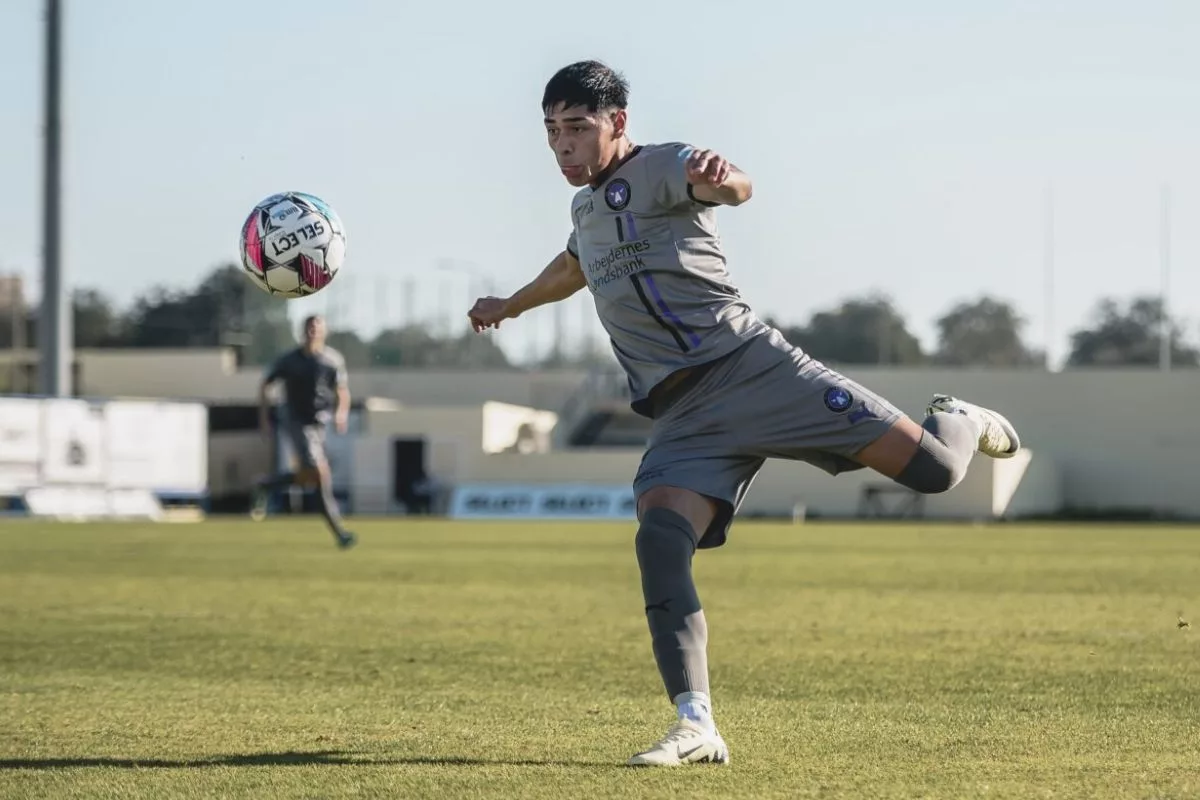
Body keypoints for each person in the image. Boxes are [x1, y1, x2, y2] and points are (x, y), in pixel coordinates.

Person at [467, 60, 1022, 767]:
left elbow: (731, 187)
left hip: (755, 371)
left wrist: (725, 179)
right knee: (659, 540)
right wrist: (509, 304)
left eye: (577, 127)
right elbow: (573, 268)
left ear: (617, 124)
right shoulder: (584, 211)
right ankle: (696, 724)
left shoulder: (664, 165)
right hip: (683, 415)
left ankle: (959, 415)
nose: (562, 144)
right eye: (551, 130)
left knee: (938, 471)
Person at [251, 314, 356, 550]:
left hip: (320, 424)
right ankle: (339, 532)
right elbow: (265, 385)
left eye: (317, 327)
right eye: (309, 328)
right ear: (303, 332)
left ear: (324, 332)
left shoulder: (332, 360)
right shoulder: (289, 360)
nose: (313, 332)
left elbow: (342, 391)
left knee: (316, 479)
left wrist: (341, 414)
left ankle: (267, 485)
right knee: (320, 473)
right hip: (296, 422)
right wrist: (264, 418)